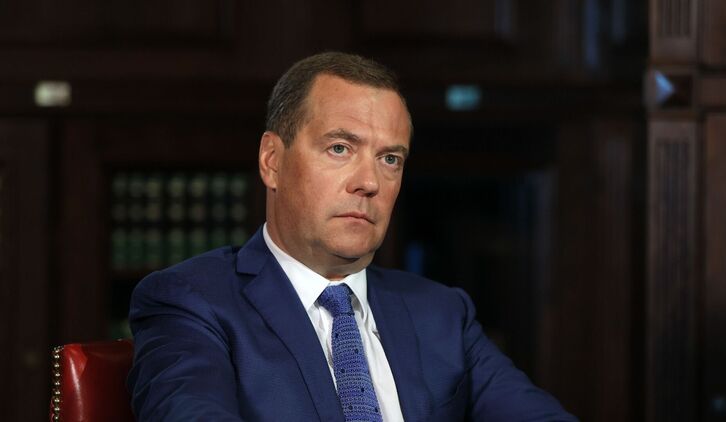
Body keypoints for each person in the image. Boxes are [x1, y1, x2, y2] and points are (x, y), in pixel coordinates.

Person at [127, 51, 577, 421]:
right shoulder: (190, 303)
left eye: (390, 159)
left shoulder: (443, 313)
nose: (369, 183)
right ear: (272, 161)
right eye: (340, 148)